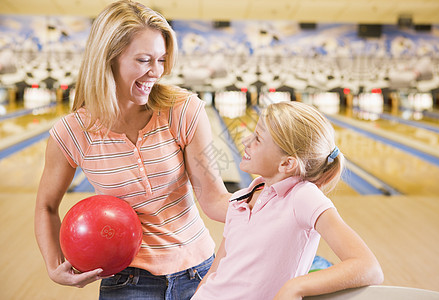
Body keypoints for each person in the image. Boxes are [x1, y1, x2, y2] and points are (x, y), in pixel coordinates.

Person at [34, 1, 230, 299]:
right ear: (108, 59)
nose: (156, 72)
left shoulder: (183, 110)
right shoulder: (72, 132)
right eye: (143, 60)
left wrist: (266, 204)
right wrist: (53, 265)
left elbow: (214, 198)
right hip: (127, 283)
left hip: (199, 272)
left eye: (162, 60)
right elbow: (46, 206)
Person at [192, 101, 384, 299]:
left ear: (287, 163)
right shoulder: (241, 199)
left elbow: (367, 267)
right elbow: (216, 271)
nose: (246, 141)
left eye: (258, 138)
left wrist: (295, 287)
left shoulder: (303, 196)